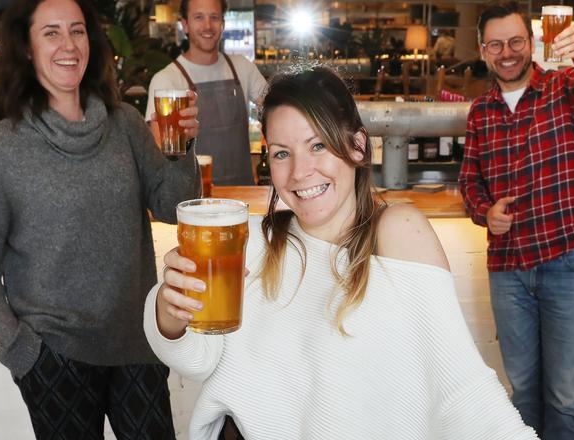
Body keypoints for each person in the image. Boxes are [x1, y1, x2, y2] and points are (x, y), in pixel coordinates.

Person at [143, 66, 539, 440]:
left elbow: (463, 388)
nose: (300, 171)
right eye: (281, 153)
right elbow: (198, 361)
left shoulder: (396, 233)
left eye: (318, 145)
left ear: (357, 146)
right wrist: (168, 310)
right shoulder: (247, 240)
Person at [0, 0, 202, 439]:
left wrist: (182, 144)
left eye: (77, 31)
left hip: (137, 340)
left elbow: (174, 208)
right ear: (27, 47)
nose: (68, 45)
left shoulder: (126, 125)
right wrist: (19, 350)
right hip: (54, 353)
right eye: (51, 33)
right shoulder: (1, 147)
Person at [458, 1, 574, 440]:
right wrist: (484, 213)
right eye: (496, 44)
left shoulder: (565, 86)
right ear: (482, 49)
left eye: (515, 41)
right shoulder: (480, 112)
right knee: (524, 394)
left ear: (531, 43)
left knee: (564, 399)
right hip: (509, 270)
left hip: (569, 261)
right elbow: (469, 184)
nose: (506, 52)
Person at [145, 0, 267, 186]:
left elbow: (275, 106)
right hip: (193, 202)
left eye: (214, 17)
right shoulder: (167, 79)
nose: (208, 26)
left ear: (223, 24)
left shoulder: (242, 67)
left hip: (242, 196)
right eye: (199, 17)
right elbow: (161, 153)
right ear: (184, 25)